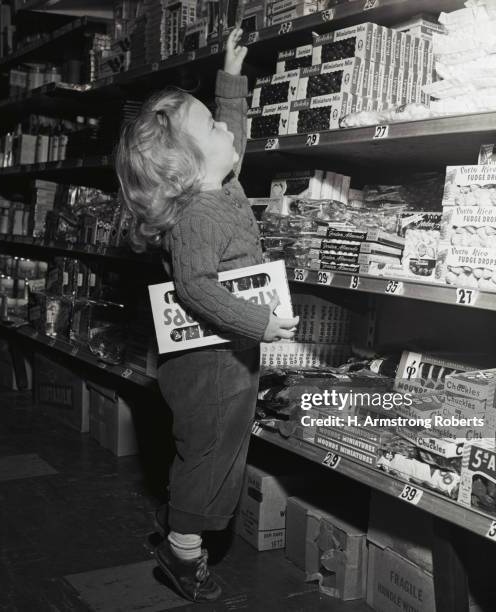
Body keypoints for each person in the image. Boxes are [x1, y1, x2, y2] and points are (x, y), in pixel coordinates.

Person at [115, 29, 298, 602]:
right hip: (209, 360)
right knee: (212, 452)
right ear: (190, 166)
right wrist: (259, 323)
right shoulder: (199, 216)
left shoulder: (218, 182)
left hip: (226, 354)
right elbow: (194, 288)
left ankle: (181, 523)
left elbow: (230, 140)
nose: (227, 132)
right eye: (213, 127)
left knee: (219, 448)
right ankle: (181, 551)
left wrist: (231, 81)